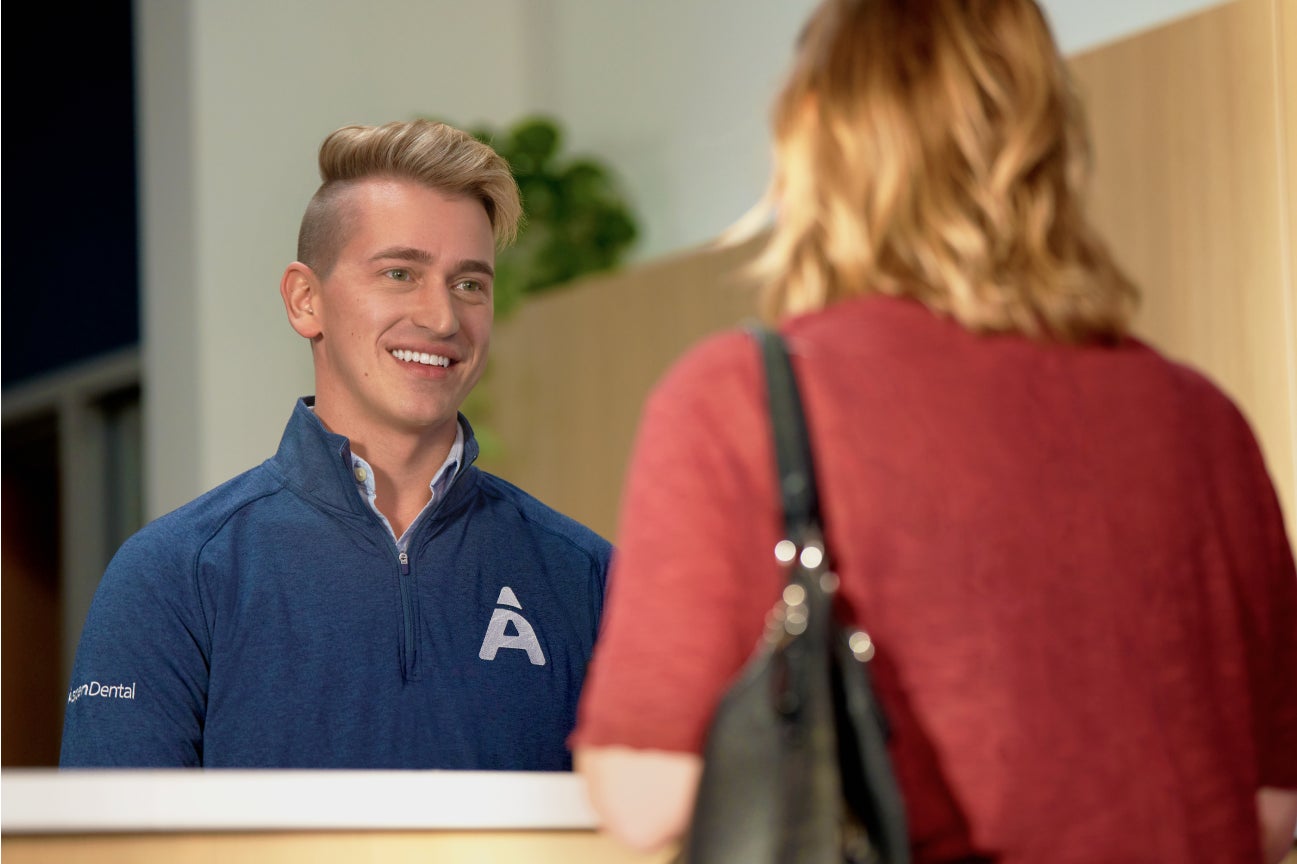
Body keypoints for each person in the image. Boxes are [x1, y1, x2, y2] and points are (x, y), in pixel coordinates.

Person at [571, 0, 1297, 860]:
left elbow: (646, 793)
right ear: (1049, 137)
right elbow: (1270, 809)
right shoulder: (1201, 422)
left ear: (812, 137)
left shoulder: (744, 399)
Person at [61, 119, 612, 770]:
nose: (441, 318)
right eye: (400, 273)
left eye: (469, 284)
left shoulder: (587, 579)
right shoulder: (172, 577)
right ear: (305, 301)